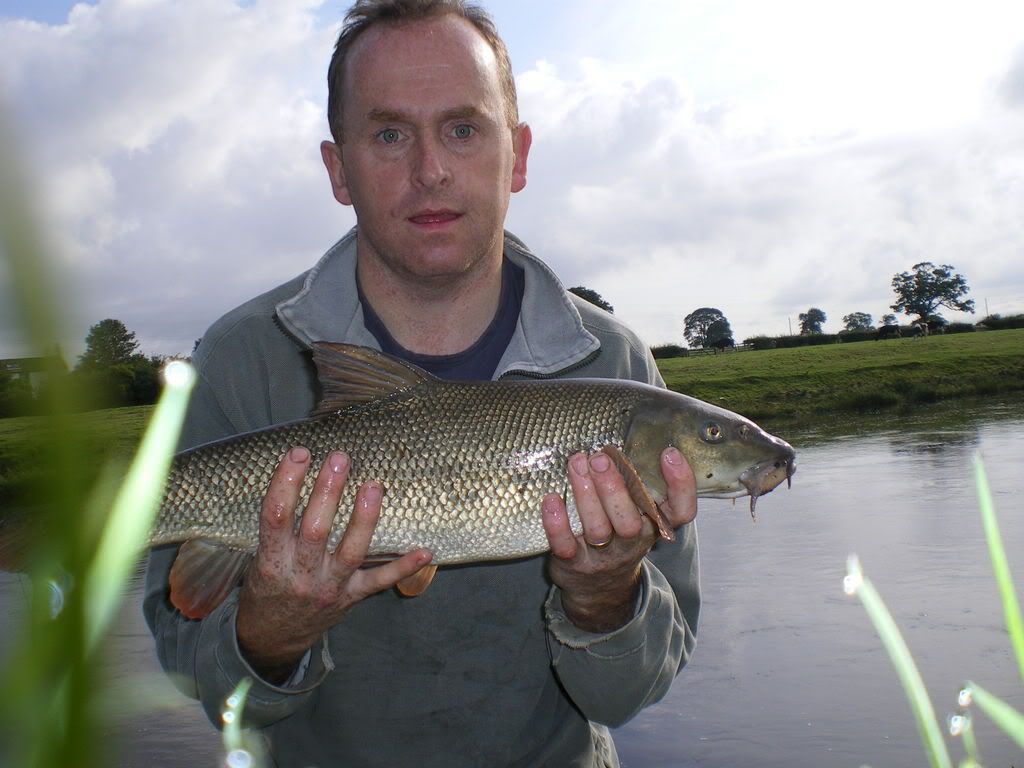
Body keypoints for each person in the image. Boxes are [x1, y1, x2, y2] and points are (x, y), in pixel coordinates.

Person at [144, 1, 700, 766]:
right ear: (338, 171)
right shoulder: (240, 357)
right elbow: (207, 686)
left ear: (518, 155)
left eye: (463, 129)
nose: (429, 170)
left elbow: (629, 696)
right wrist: (268, 632)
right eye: (389, 134)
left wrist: (605, 597)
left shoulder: (615, 367)